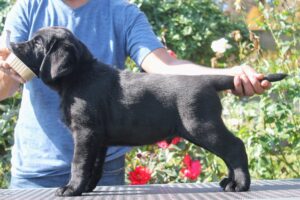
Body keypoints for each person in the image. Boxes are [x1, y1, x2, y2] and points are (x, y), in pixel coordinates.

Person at [0, 0, 271, 189]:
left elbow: (164, 67)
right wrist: (5, 72)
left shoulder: (121, 11)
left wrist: (230, 73)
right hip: (35, 171)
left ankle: (237, 167)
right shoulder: (29, 7)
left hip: (105, 170)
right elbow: (6, 84)